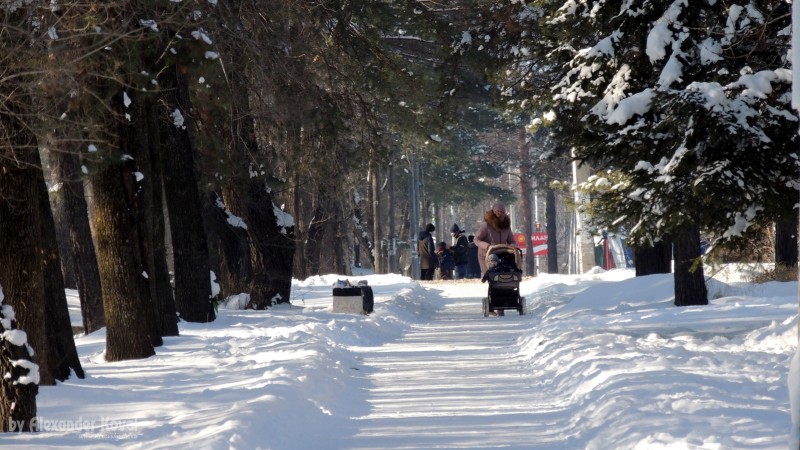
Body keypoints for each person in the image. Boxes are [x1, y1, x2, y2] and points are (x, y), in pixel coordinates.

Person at [474, 201, 516, 278]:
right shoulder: (486, 225)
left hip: (501, 253)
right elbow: (476, 239)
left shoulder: (506, 226)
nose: (501, 213)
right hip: (486, 254)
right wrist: (487, 246)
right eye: (499, 211)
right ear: (494, 212)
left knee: (507, 270)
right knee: (491, 276)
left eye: (503, 211)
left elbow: (512, 241)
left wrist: (513, 247)